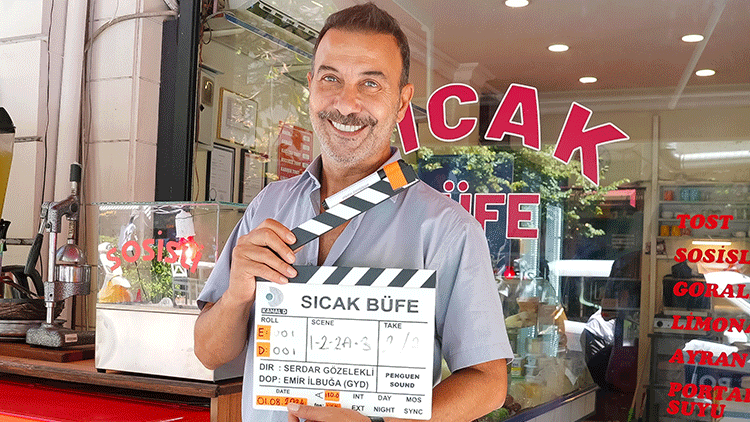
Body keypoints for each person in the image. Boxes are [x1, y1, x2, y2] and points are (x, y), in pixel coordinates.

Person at [194, 3, 513, 421]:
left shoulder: (447, 229)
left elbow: (488, 382)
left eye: (371, 84)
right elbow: (209, 352)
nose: (346, 104)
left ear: (402, 102)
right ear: (311, 86)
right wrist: (236, 296)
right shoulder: (269, 204)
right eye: (331, 79)